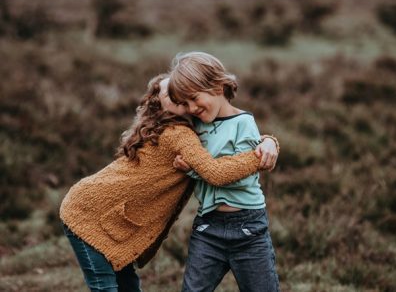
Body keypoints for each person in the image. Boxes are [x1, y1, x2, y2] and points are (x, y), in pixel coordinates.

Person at [59, 73, 279, 292]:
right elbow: (216, 172)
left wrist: (268, 141)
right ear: (159, 102)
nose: (177, 93)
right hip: (86, 213)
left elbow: (226, 134)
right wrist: (259, 156)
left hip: (100, 212)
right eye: (170, 92)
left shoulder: (192, 126)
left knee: (127, 285)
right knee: (105, 286)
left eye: (181, 90)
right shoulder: (178, 133)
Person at [168, 52, 280, 292]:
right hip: (208, 227)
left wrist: (194, 170)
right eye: (185, 103)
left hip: (248, 228)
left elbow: (241, 174)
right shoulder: (196, 128)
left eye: (195, 99)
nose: (192, 108)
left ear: (217, 86)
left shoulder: (244, 123)